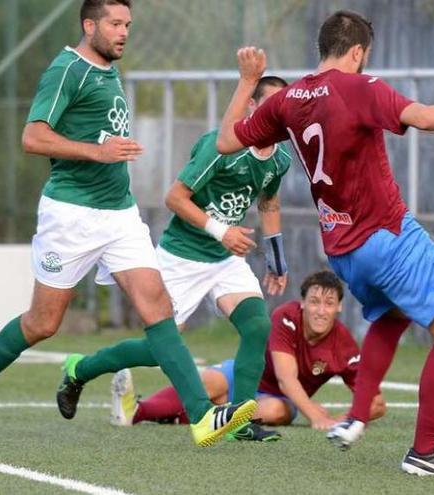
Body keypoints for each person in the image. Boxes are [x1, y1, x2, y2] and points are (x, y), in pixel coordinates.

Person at [215, 10, 434, 477]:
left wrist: (247, 81)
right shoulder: (362, 86)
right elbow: (425, 118)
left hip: (343, 249)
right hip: (386, 235)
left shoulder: (288, 98)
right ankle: (427, 451)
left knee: (392, 316)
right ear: (358, 52)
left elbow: (228, 139)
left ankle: (354, 418)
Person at [0, 0, 255, 447]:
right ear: (88, 25)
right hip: (70, 214)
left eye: (127, 24)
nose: (123, 32)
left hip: (119, 214)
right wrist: (98, 152)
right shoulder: (67, 69)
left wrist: (108, 156)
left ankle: (202, 417)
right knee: (42, 323)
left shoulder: (110, 70)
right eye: (114, 24)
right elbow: (33, 137)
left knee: (157, 308)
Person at [56, 76, 292, 441]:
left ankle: (241, 421)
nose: (277, 115)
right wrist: (222, 231)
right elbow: (175, 198)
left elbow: (269, 202)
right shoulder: (220, 147)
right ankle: (80, 368)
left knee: (257, 326)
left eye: (283, 108)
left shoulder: (280, 158)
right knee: (156, 350)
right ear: (251, 106)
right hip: (181, 258)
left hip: (224, 260)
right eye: (270, 105)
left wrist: (276, 258)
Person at [108, 271, 386, 441]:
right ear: (302, 304)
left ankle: (182, 416)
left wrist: (342, 417)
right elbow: (285, 376)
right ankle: (136, 411)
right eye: (314, 301)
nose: (320, 310)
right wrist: (315, 415)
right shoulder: (286, 316)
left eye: (329, 303)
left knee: (271, 411)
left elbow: (376, 403)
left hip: (279, 400)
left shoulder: (344, 345)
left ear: (339, 308)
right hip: (244, 375)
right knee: (207, 384)